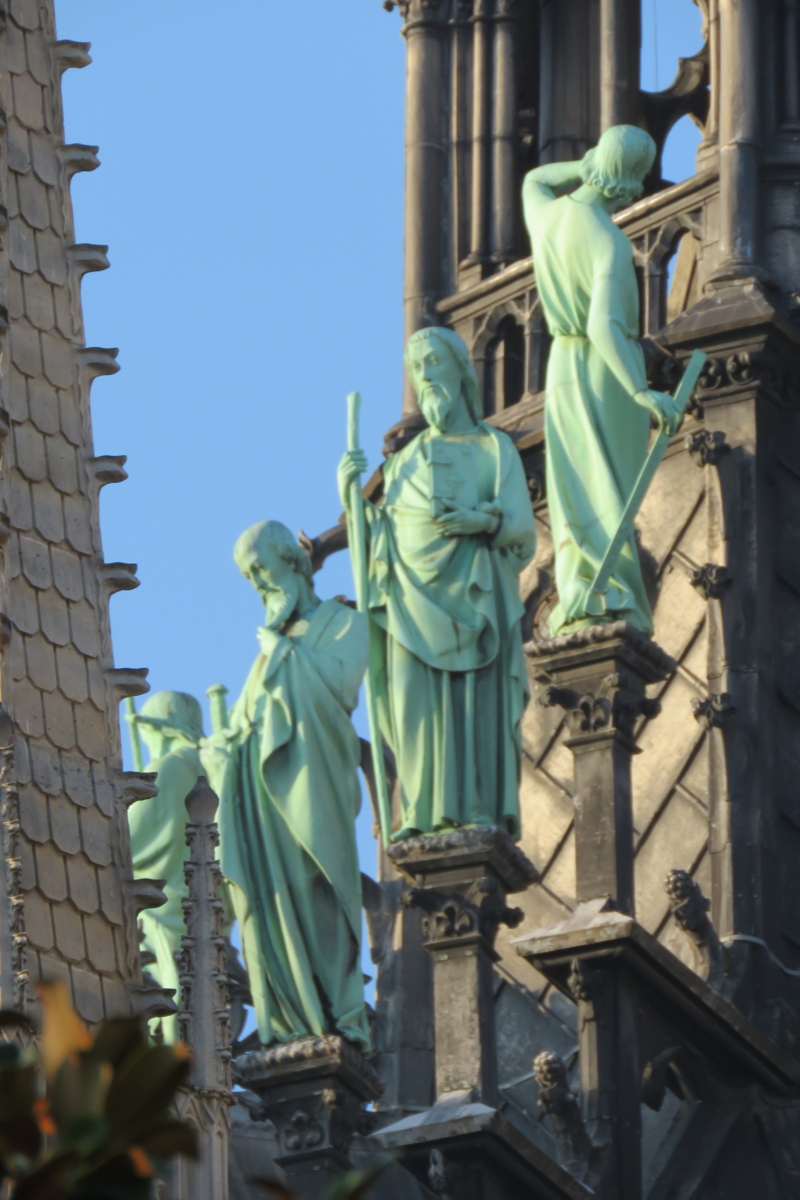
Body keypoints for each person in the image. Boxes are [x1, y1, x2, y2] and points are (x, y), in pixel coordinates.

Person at [338, 326, 536, 842]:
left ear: (461, 371)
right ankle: (424, 812)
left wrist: (483, 523)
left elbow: (520, 527)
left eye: (433, 363)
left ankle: (473, 807)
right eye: (416, 367)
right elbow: (380, 541)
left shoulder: (494, 448)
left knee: (470, 709)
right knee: (415, 713)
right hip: (409, 604)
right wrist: (353, 502)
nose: (424, 376)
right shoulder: (401, 464)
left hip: (472, 597)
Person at [200, 521, 370, 1050]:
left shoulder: (340, 622)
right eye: (247, 575)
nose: (256, 582)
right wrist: (218, 749)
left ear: (291, 561)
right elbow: (247, 727)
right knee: (269, 908)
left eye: (260, 567)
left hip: (311, 788)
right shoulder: (267, 650)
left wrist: (281, 654)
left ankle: (335, 1011)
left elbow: (340, 687)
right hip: (259, 806)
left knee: (317, 894)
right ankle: (288, 1017)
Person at [522, 124, 683, 636]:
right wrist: (640, 390)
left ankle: (579, 590)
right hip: (603, 374)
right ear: (633, 180)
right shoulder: (608, 242)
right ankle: (612, 593)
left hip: (562, 370)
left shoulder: (547, 216)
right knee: (606, 488)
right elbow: (603, 327)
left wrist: (582, 164)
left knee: (574, 488)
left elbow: (536, 179)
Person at [128, 690, 204, 1042]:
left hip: (161, 905)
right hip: (195, 902)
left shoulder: (175, 766)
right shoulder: (206, 764)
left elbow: (126, 838)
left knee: (169, 1000)